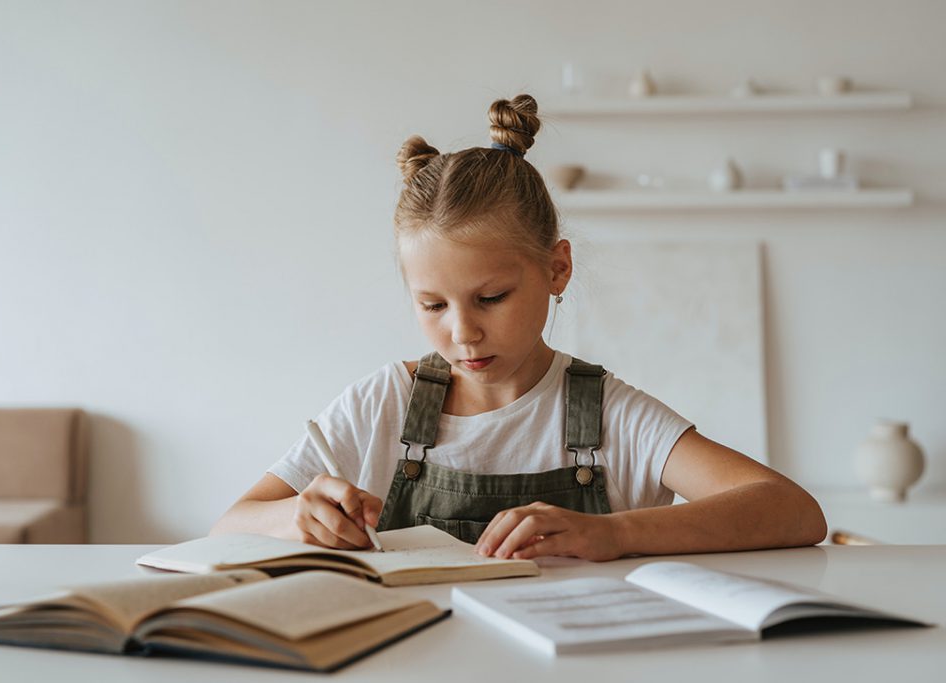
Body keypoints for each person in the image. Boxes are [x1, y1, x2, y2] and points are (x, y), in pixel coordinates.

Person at [212, 94, 827, 561]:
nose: (463, 333)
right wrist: (295, 517)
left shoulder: (608, 414)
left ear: (556, 269)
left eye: (491, 297)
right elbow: (230, 523)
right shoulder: (383, 404)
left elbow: (793, 511)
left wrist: (613, 532)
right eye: (432, 306)